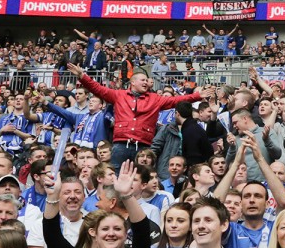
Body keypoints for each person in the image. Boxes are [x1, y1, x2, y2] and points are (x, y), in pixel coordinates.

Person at [63, 63, 213, 171]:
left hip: (144, 148)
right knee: (115, 178)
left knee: (141, 181)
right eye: (143, 80)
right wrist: (82, 76)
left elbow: (176, 100)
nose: (146, 83)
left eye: (147, 81)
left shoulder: (155, 98)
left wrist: (198, 95)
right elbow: (98, 89)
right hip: (121, 146)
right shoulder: (119, 95)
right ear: (132, 82)